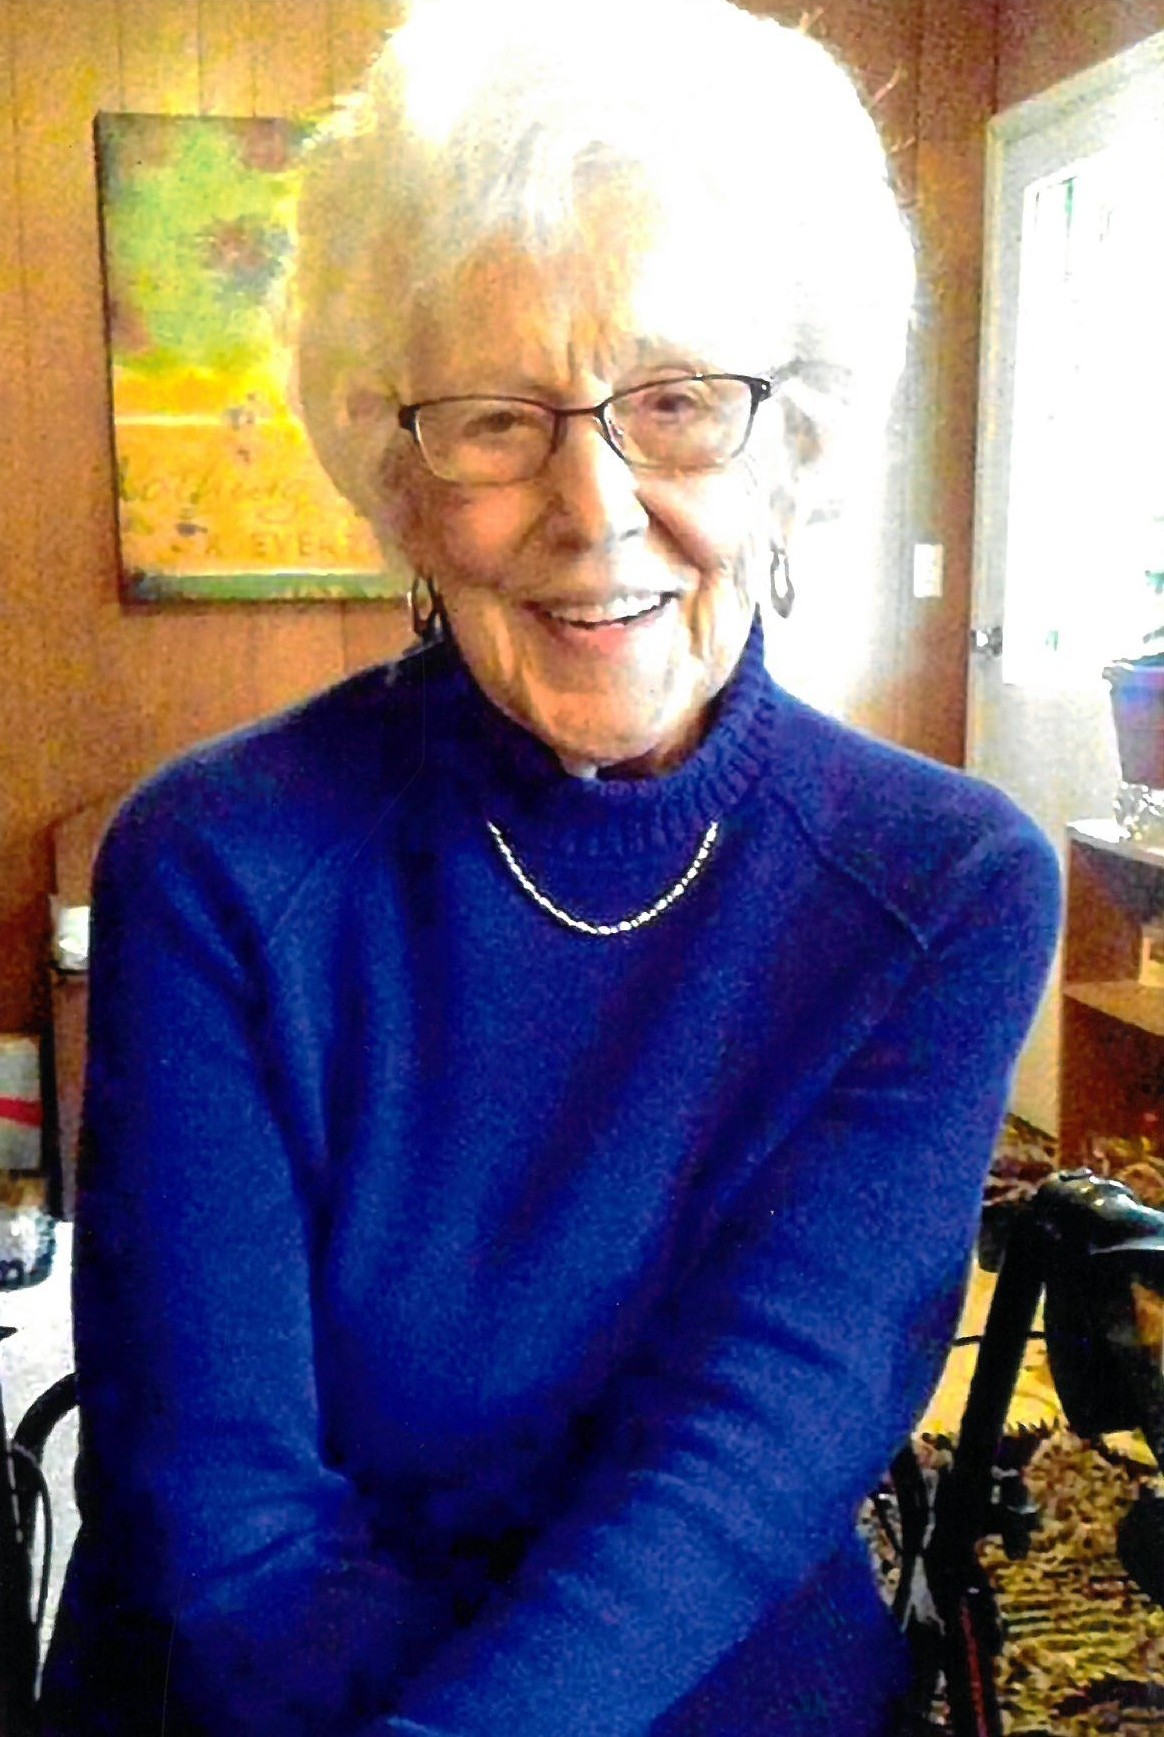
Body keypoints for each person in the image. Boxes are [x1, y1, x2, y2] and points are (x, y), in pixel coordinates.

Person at [40, 2, 1061, 1733]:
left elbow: (745, 1466)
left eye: (679, 401)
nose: (593, 507)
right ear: (400, 475)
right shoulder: (216, 864)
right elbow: (225, 1527)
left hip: (707, 1670)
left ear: (797, 442)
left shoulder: (944, 888)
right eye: (499, 419)